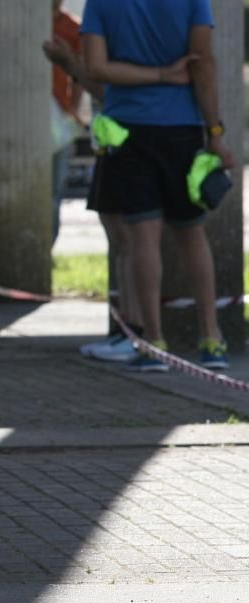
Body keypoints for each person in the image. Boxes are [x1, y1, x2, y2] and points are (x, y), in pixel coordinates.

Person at [82, 0, 234, 371]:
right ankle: (211, 339)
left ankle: (153, 343)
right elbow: (204, 64)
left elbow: (96, 68)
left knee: (142, 240)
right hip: (182, 128)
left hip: (127, 130)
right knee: (192, 234)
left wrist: (158, 75)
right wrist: (215, 132)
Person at [43, 32, 143, 363]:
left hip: (127, 141)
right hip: (111, 140)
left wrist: (70, 64)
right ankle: (127, 331)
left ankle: (135, 332)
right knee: (120, 241)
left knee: (129, 242)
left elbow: (106, 89)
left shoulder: (121, 23)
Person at [49, 1, 84, 245]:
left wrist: (73, 107)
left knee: (55, 190)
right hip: (34, 108)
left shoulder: (72, 27)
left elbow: (79, 72)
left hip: (59, 115)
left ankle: (48, 243)